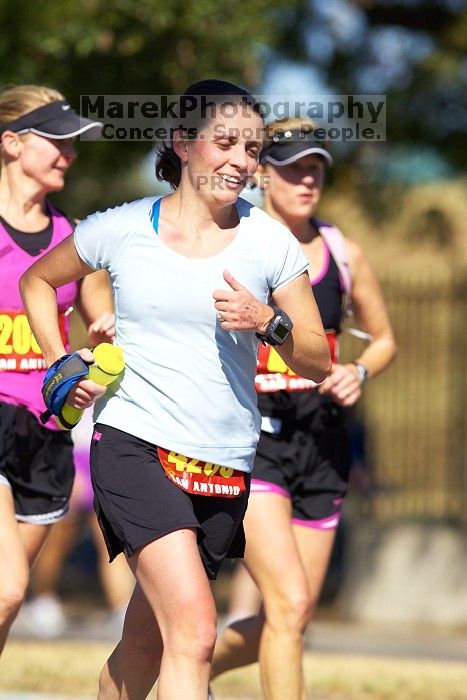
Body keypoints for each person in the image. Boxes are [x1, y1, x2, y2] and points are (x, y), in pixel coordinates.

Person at [19, 81, 331, 700]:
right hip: (134, 445)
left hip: (224, 462)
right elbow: (36, 280)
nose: (240, 161)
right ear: (184, 143)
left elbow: (320, 359)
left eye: (252, 148)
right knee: (194, 632)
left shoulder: (270, 241)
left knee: (147, 641)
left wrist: (267, 321)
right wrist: (60, 364)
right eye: (225, 142)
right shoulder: (123, 227)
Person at [210, 117, 397, 700]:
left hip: (323, 444)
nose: (307, 179)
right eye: (294, 167)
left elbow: (384, 338)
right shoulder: (233, 245)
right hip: (255, 442)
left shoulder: (343, 252)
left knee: (292, 614)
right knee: (287, 603)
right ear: (262, 174)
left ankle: (184, 664)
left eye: (316, 167)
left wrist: (359, 369)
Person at [0, 83, 114, 655]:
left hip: (46, 432)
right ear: (12, 144)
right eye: (57, 141)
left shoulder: (75, 239)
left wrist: (106, 341)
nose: (69, 154)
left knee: (5, 602)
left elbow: (105, 321)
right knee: (6, 588)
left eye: (74, 144)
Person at [22, 410, 135, 639]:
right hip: (69, 449)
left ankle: (123, 610)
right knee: (58, 536)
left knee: (111, 541)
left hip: (105, 449)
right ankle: (44, 599)